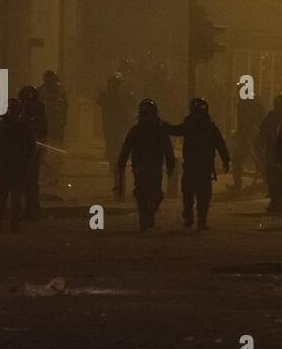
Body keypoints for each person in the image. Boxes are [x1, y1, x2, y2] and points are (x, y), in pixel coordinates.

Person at [163, 97, 229, 230]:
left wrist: (163, 125)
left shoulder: (190, 125)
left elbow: (175, 130)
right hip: (203, 166)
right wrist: (226, 160)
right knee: (203, 195)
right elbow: (220, 144)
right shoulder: (210, 127)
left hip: (192, 166)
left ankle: (189, 218)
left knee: (189, 193)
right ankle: (200, 221)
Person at [114, 98, 175, 232]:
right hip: (142, 167)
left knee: (155, 194)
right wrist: (121, 164)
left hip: (153, 167)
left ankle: (149, 215)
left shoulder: (157, 129)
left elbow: (168, 149)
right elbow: (126, 148)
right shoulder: (137, 130)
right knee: (143, 193)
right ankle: (144, 218)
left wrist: (171, 165)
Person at [0, 99, 37, 233]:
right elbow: (31, 150)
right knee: (16, 197)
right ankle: (14, 225)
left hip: (5, 167)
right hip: (18, 168)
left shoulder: (2, 128)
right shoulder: (24, 128)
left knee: (2, 197)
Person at [98, 74, 134, 190]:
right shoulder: (108, 96)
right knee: (112, 146)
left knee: (116, 146)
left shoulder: (122, 96)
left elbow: (129, 109)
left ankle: (116, 167)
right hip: (111, 125)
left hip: (118, 126)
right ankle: (114, 166)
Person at [259, 94, 282, 213]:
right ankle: (280, 201)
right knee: (279, 177)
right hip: (281, 152)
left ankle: (278, 201)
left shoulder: (273, 116)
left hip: (278, 152)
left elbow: (262, 133)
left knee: (275, 177)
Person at [17, 85, 46, 219]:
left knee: (28, 180)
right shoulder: (37, 110)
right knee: (30, 181)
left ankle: (32, 210)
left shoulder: (30, 113)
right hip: (30, 149)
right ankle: (33, 209)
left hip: (29, 150)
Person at [230, 95, 267, 195]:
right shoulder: (252, 105)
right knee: (260, 161)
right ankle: (266, 184)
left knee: (240, 160)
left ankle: (266, 184)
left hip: (251, 138)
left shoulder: (247, 107)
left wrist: (241, 135)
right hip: (253, 137)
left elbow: (246, 125)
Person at [38, 71, 68, 185]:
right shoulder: (40, 92)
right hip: (44, 127)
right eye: (49, 81)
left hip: (56, 128)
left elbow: (64, 109)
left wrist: (63, 122)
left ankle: (54, 175)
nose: (52, 84)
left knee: (56, 153)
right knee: (43, 152)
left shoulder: (60, 92)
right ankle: (47, 174)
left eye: (53, 81)